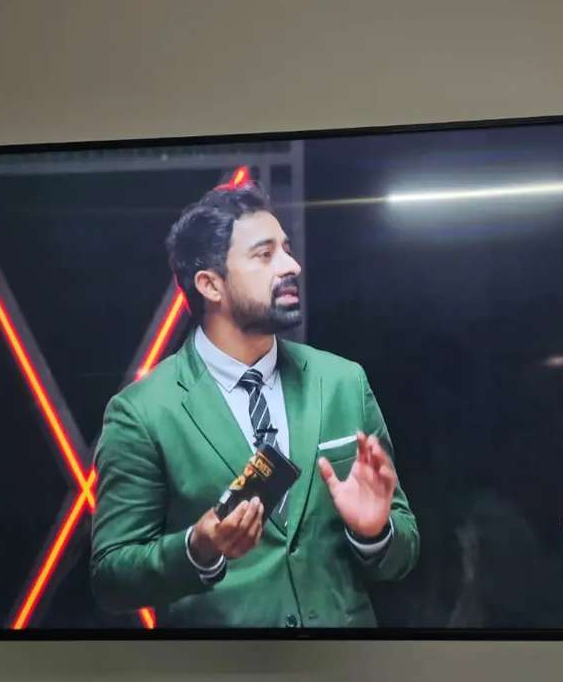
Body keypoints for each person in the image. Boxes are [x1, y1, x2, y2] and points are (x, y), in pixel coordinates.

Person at [89, 172, 419, 628]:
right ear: (210, 285)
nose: (291, 266)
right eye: (265, 255)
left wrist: (375, 533)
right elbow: (111, 579)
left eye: (286, 249)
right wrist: (196, 548)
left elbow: (403, 554)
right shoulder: (143, 412)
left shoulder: (342, 382)